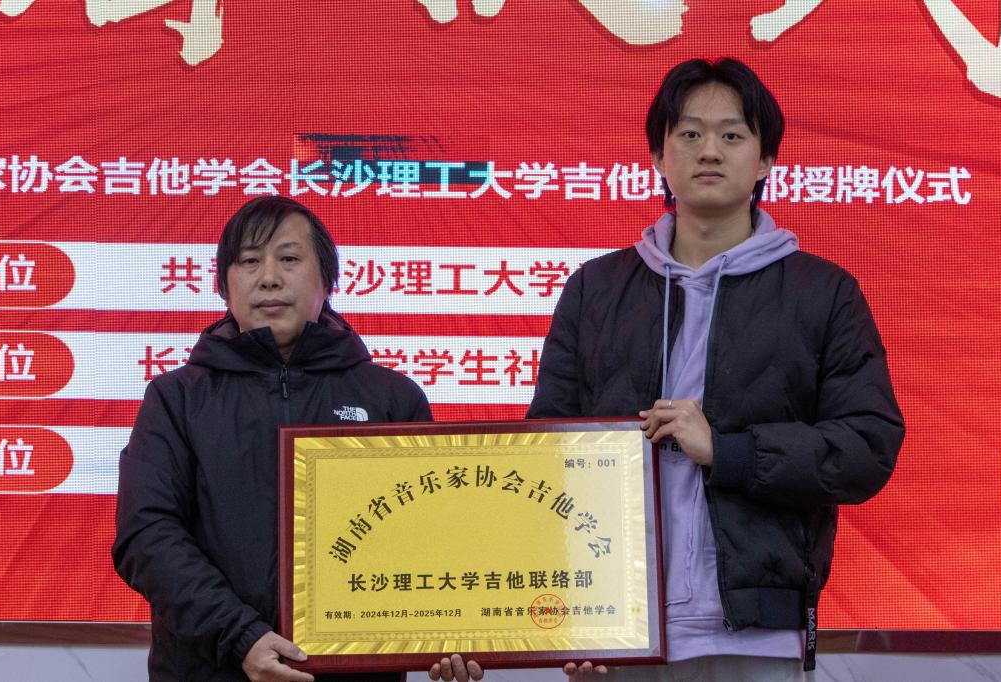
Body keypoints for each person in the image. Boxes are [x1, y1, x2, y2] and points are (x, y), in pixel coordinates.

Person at [527, 58, 904, 680]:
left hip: (758, 633)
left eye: (732, 134)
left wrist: (727, 451)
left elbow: (867, 447)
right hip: (621, 627)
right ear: (659, 156)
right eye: (689, 133)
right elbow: (548, 452)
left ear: (765, 161)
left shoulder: (822, 292)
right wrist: (572, 613)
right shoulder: (596, 289)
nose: (709, 150)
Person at [113, 197, 483, 682]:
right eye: (249, 261)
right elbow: (146, 535)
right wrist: (241, 637)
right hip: (211, 668)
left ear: (327, 280)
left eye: (288, 258)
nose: (269, 277)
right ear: (224, 285)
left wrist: (450, 629)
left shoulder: (393, 398)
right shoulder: (176, 398)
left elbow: (432, 535)